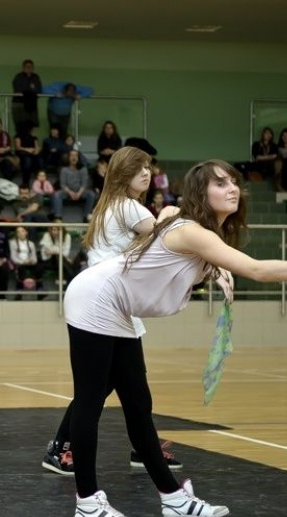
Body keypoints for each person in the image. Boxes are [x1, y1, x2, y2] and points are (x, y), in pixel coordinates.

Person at [63, 159, 287, 517]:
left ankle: (173, 498)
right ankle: (87, 503)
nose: (232, 189)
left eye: (234, 182)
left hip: (115, 303)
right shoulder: (193, 231)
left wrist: (216, 268)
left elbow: (180, 228)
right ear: (201, 193)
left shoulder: (197, 230)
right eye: (220, 183)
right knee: (91, 399)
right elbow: (256, 270)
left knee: (138, 404)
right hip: (95, 297)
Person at [43, 147, 201, 476]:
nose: (146, 172)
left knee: (127, 386)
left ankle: (140, 447)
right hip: (106, 302)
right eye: (138, 168)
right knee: (103, 389)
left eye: (148, 167)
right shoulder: (129, 207)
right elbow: (166, 238)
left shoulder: (112, 206)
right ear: (120, 174)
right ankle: (65, 447)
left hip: (110, 299)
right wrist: (180, 215)